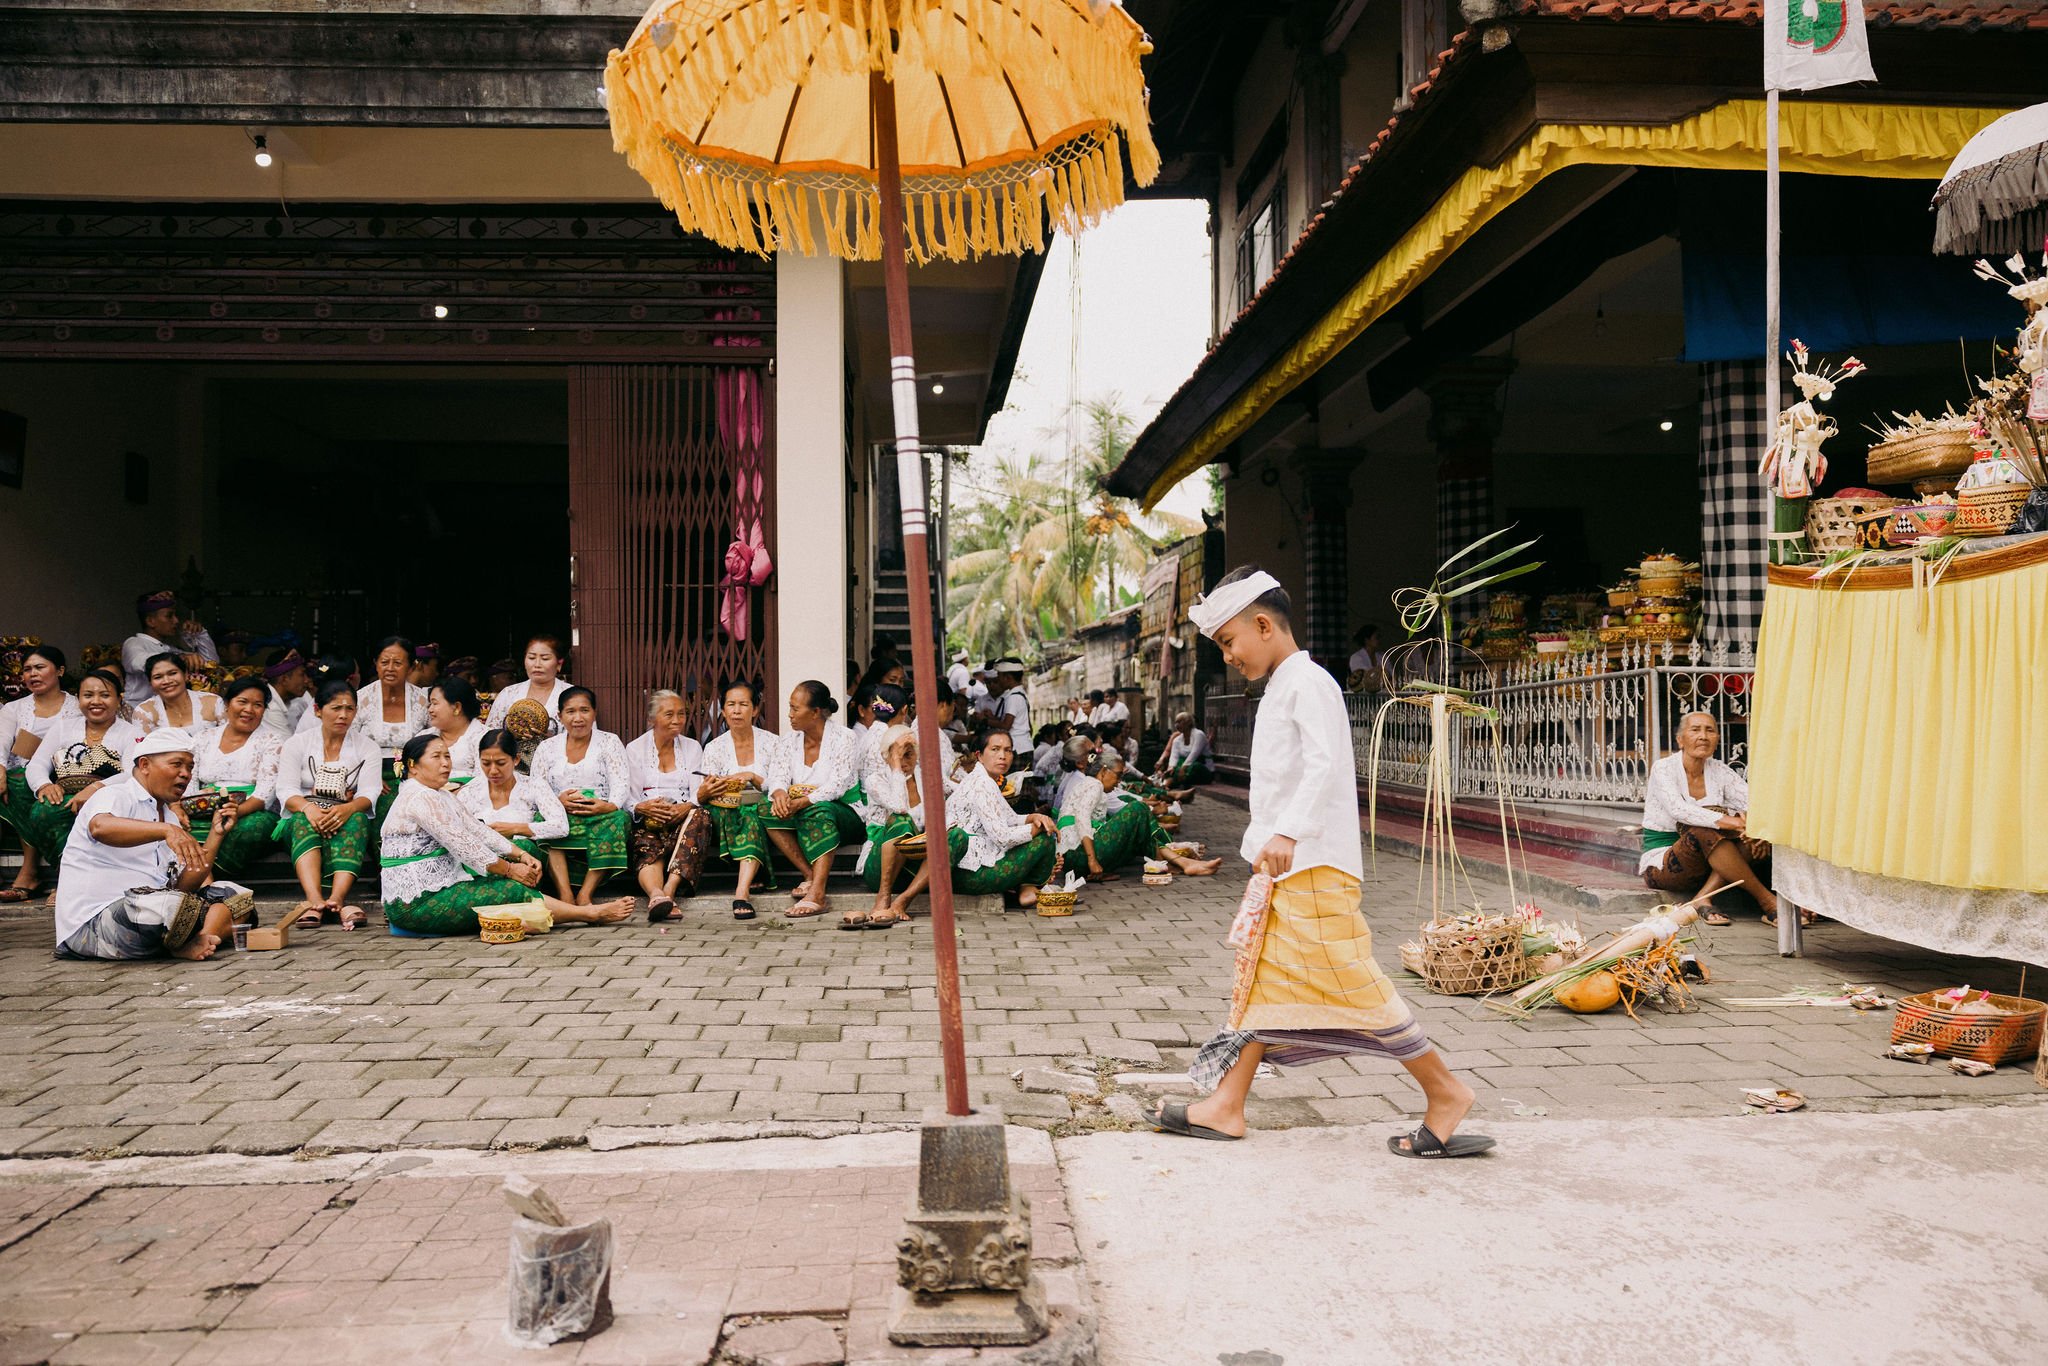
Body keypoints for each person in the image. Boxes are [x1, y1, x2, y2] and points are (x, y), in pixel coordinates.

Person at [1157, 566, 1493, 1159]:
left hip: (1314, 864)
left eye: (1230, 642)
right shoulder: (1288, 684)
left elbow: (1324, 763)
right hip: (1290, 866)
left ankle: (1446, 1092)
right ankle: (1226, 1106)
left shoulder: (1307, 682)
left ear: (1263, 625)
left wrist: (1287, 831)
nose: (1229, 656)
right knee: (1262, 984)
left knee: (1357, 986)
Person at [382, 733, 631, 935]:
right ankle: (588, 915)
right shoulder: (419, 796)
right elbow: (464, 845)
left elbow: (476, 830)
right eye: (436, 757)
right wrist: (512, 869)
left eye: (447, 756)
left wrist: (521, 854)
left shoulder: (441, 795)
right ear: (413, 766)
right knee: (513, 891)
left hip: (442, 887)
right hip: (414, 903)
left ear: (515, 760)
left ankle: (545, 916)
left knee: (505, 887)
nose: (445, 763)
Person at [52, 728, 240, 962]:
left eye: (190, 768)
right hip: (91, 927)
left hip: (150, 918)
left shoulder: (169, 817)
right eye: (177, 764)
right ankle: (182, 939)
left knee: (233, 895)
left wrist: (216, 834)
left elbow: (183, 886)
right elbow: (100, 827)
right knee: (169, 905)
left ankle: (200, 938)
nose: (186, 774)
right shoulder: (116, 795)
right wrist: (165, 831)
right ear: (144, 765)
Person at [1639, 711, 1793, 927]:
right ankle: (1767, 901)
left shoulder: (1720, 771)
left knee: (1749, 837)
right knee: (1704, 830)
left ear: (1717, 739)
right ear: (1680, 740)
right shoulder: (1663, 768)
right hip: (1665, 864)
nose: (1703, 736)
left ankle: (1703, 897)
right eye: (1695, 730)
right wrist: (1736, 823)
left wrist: (1757, 831)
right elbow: (1678, 810)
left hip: (1711, 862)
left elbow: (1755, 804)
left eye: (1710, 730)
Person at [275, 679, 382, 930]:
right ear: (317, 710)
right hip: (304, 811)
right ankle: (314, 900)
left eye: (349, 709)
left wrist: (347, 808)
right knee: (302, 820)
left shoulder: (367, 747)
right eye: (336, 708)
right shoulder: (297, 743)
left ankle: (336, 899)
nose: (343, 715)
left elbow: (370, 792)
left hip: (345, 810)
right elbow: (286, 790)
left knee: (357, 819)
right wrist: (309, 808)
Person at [760, 680, 862, 919]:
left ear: (816, 712)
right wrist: (780, 795)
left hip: (846, 813)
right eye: (790, 707)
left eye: (796, 709)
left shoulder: (844, 738)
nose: (790, 715)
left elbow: (838, 784)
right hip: (802, 809)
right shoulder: (788, 741)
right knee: (764, 808)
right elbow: (777, 776)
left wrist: (802, 802)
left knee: (820, 810)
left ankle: (818, 893)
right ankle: (809, 875)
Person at [20, 670, 139, 867]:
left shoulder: (131, 733)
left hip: (110, 798)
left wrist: (94, 789)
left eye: (105, 695)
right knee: (41, 811)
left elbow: (132, 774)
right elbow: (37, 763)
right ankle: (64, 872)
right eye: (88, 695)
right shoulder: (63, 727)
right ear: (78, 699)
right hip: (66, 795)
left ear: (119, 699)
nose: (96, 701)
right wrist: (44, 785)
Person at [529, 686, 633, 906]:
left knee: (619, 820)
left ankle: (586, 893)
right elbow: (537, 785)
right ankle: (565, 893)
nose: (578, 718)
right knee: (543, 822)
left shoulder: (609, 741)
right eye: (570, 711)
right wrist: (557, 803)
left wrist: (609, 806)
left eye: (584, 710)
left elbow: (621, 781)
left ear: (594, 713)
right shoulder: (547, 747)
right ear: (560, 716)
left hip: (600, 813)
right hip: (561, 813)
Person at [1057, 749, 1220, 882]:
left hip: (1075, 859)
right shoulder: (1094, 785)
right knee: (1138, 809)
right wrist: (1092, 860)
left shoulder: (1088, 784)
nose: (1118, 782)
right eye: (1118, 775)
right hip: (1078, 856)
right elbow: (1082, 818)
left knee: (1138, 826)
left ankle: (1179, 863)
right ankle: (1176, 862)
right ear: (1104, 771)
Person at [938, 729, 1058, 906]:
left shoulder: (983, 778)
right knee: (1045, 839)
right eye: (995, 749)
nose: (1002, 756)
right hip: (971, 875)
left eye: (1008, 750)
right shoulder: (983, 784)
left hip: (962, 871)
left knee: (1039, 828)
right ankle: (1028, 889)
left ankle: (1025, 888)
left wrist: (1035, 816)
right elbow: (1003, 838)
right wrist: (1038, 827)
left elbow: (1010, 818)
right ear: (979, 755)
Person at [0, 645, 79, 902]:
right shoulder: (14, 709)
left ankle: (36, 871)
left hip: (65, 776)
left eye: (40, 667)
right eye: (27, 669)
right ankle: (32, 869)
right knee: (17, 781)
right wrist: (0, 768)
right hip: (20, 778)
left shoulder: (78, 707)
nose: (32, 674)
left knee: (27, 784)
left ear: (60, 670)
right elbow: (1, 742)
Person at [626, 689, 713, 921]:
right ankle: (655, 894)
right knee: (646, 841)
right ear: (652, 719)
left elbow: (697, 791)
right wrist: (643, 808)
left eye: (682, 714)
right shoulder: (634, 749)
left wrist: (685, 807)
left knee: (701, 815)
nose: (677, 720)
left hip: (683, 819)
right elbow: (629, 797)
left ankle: (668, 892)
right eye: (669, 714)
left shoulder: (693, 747)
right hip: (649, 819)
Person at [186, 676, 282, 878]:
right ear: (227, 704)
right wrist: (194, 804)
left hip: (250, 810)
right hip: (203, 807)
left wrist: (234, 811)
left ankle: (204, 877)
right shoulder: (203, 738)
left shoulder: (272, 741)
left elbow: (265, 796)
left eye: (257, 705)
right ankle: (194, 878)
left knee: (249, 829)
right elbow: (188, 781)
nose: (249, 710)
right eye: (242, 702)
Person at [697, 679, 777, 920]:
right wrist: (717, 786)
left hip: (762, 807)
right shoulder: (714, 747)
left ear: (755, 709)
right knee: (742, 814)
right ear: (722, 711)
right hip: (727, 810)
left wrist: (753, 776)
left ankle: (741, 892)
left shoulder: (773, 743)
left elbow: (782, 784)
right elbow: (704, 793)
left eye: (743, 704)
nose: (736, 710)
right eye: (730, 704)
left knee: (753, 813)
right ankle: (750, 881)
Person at [459, 728, 570, 880]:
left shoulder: (534, 785)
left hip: (526, 863)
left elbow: (561, 826)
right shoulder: (470, 791)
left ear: (516, 759)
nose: (493, 771)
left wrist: (515, 829)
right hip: (483, 866)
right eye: (486, 763)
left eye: (500, 763)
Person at [847, 725, 925, 930]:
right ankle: (883, 896)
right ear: (886, 756)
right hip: (879, 867)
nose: (906, 760)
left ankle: (904, 899)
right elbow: (899, 807)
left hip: (911, 865)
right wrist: (896, 767)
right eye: (900, 755)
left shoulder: (925, 779)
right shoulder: (876, 780)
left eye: (910, 754)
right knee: (901, 821)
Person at [356, 636, 429, 825]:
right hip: (368, 775)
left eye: (397, 663)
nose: (390, 668)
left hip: (414, 776)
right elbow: (348, 743)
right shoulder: (360, 699)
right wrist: (369, 778)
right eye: (384, 662)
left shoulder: (422, 701)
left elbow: (433, 743)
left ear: (411, 667)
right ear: (375, 664)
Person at [486, 635, 573, 735]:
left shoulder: (571, 695)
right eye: (531, 658)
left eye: (545, 659)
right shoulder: (508, 694)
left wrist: (550, 742)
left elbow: (581, 740)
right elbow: (490, 737)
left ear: (559, 664)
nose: (537, 664)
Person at [120, 591, 195, 706]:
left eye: (175, 616)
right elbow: (139, 662)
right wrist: (178, 659)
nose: (176, 621)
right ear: (150, 621)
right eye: (169, 616)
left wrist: (200, 635)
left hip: (165, 712)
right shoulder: (134, 643)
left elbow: (212, 663)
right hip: (135, 713)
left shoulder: (170, 649)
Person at [133, 652, 223, 734]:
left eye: (172, 673)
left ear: (186, 675)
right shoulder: (144, 712)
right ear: (150, 683)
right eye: (158, 677)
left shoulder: (213, 702)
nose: (167, 681)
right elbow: (143, 750)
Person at [424, 676, 487, 787]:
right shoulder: (424, 737)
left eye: (435, 703)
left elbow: (486, 783)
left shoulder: (485, 739)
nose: (430, 710)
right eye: (430, 704)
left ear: (457, 707)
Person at [260, 649, 314, 738]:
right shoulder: (270, 707)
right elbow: (290, 748)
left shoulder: (287, 700)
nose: (306, 680)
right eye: (302, 674)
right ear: (284, 679)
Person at [1155, 712, 1214, 788]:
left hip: (1203, 769)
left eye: (1180, 722)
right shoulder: (1177, 740)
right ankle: (1167, 784)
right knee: (1175, 768)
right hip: (1183, 770)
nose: (1177, 725)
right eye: (1176, 722)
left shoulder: (1199, 735)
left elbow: (1194, 754)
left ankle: (1167, 783)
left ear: (1188, 722)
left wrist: (1183, 769)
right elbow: (1174, 757)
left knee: (1194, 767)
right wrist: (1171, 768)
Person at [990, 658, 1031, 755]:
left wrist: (986, 721)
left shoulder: (1014, 697)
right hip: (1023, 746)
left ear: (1007, 678)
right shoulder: (1019, 694)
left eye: (999, 677)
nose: (998, 681)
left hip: (1018, 748)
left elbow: (1006, 726)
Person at [1348, 623, 1386, 692]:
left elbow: (1391, 675)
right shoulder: (1356, 657)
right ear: (1367, 640)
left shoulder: (1382, 656)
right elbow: (1366, 678)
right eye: (1377, 637)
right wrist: (1381, 672)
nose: (1379, 640)